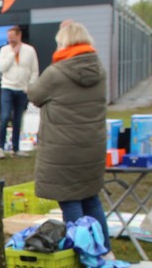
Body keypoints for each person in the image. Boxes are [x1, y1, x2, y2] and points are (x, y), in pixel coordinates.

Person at [26, 20, 109, 244]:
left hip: (63, 148)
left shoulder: (56, 73)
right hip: (92, 145)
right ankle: (103, 248)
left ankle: (81, 251)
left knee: (69, 200)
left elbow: (34, 95)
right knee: (91, 198)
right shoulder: (100, 71)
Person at [0, 25, 39, 155]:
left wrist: (29, 86)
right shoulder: (4, 50)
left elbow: (34, 70)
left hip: (22, 89)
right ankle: (1, 147)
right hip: (7, 87)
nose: (10, 40)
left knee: (18, 119)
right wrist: (12, 54)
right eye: (8, 38)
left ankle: (15, 148)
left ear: (19, 36)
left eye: (12, 37)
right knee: (5, 117)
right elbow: (1, 68)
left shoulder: (29, 50)